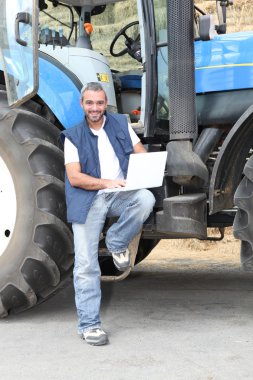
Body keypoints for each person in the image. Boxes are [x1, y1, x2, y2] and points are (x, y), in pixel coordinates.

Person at [61, 82, 155, 346]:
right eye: (89, 103)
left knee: (145, 198)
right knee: (86, 265)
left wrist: (143, 170)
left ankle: (116, 242)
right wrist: (106, 182)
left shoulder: (120, 124)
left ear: (106, 104)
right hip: (88, 200)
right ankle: (89, 325)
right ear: (82, 105)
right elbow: (75, 177)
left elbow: (141, 154)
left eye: (99, 103)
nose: (95, 108)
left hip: (118, 195)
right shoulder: (73, 136)